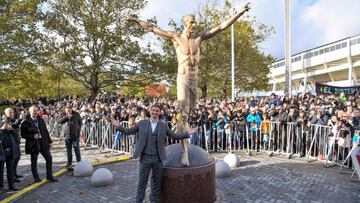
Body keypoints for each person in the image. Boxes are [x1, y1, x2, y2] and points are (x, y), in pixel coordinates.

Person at [123, 2, 250, 166]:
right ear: (184, 23)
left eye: (194, 22)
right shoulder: (175, 38)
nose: (194, 25)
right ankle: (184, 152)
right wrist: (133, 19)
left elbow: (221, 27)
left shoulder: (199, 38)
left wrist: (239, 13)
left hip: (194, 80)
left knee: (188, 115)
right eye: (191, 22)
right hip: (182, 78)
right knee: (183, 114)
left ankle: (177, 132)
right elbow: (152, 28)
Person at [111, 104, 194, 203]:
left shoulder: (163, 125)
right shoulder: (142, 123)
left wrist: (186, 134)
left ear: (159, 113)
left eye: (157, 111)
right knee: (142, 183)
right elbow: (129, 131)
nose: (155, 112)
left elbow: (174, 136)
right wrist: (118, 126)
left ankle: (154, 201)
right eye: (153, 110)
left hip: (158, 159)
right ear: (150, 111)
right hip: (145, 159)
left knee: (156, 183)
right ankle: (139, 201)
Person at [20, 106, 58, 183]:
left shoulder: (40, 119)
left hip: (43, 142)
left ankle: (49, 176)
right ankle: (36, 178)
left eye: (36, 110)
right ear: (30, 112)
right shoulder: (26, 122)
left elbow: (45, 131)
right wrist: (32, 136)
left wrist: (50, 141)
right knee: (34, 161)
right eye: (33, 110)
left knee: (49, 158)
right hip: (34, 144)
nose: (35, 112)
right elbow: (23, 135)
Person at [4, 108, 24, 181]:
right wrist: (19, 120)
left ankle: (14, 173)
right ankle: (12, 176)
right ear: (6, 113)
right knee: (12, 159)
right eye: (10, 112)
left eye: (12, 112)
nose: (12, 113)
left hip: (16, 141)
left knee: (17, 157)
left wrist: (19, 120)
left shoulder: (11, 119)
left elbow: (15, 125)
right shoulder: (6, 120)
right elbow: (13, 128)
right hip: (11, 143)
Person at [0, 120, 19, 193]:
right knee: (1, 171)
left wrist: (11, 129)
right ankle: (1, 187)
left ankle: (11, 185)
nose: (7, 125)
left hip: (10, 153)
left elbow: (16, 134)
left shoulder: (10, 131)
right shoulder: (1, 132)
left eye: (8, 124)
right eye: (5, 124)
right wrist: (2, 129)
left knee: (10, 170)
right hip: (2, 153)